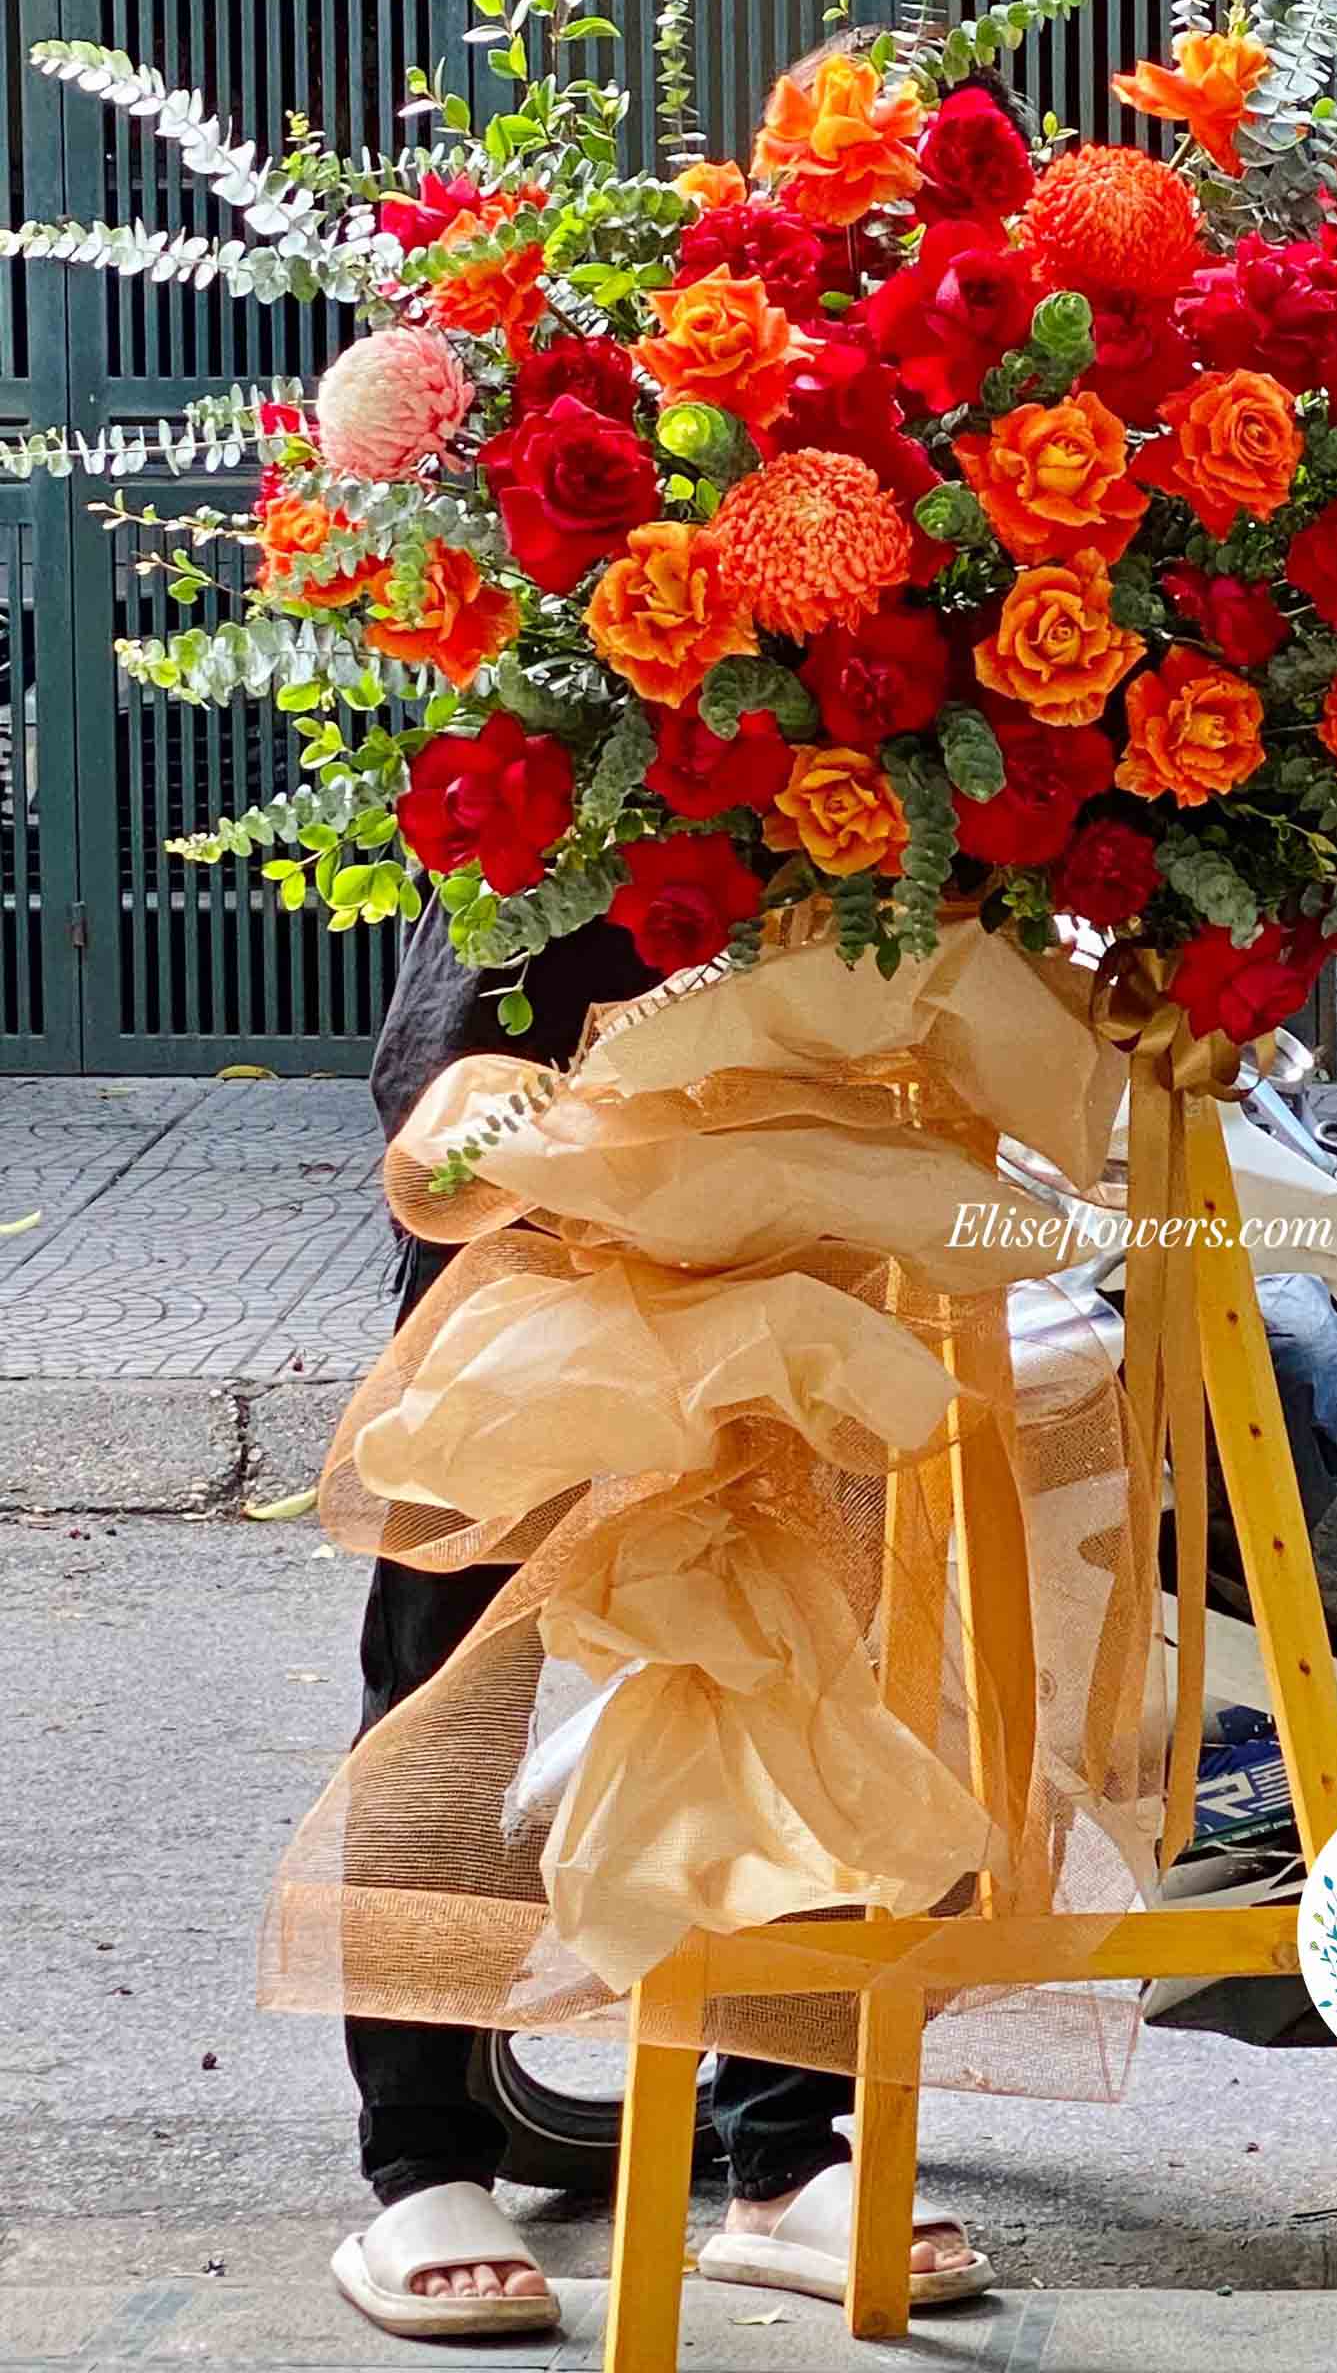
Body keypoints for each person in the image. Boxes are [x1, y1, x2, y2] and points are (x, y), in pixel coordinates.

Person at [330, 906, 988, 2340]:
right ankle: (423, 2154)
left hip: (820, 1120)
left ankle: (787, 2146)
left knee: (811, 1634)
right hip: (539, 1109)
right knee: (456, 1662)